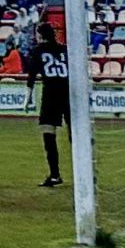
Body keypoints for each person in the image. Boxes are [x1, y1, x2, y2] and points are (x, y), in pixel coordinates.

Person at [30, 19, 73, 188]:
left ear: (40, 36)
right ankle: (83, 171)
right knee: (75, 135)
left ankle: (55, 175)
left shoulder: (39, 51)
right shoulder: (65, 49)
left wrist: (28, 95)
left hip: (51, 95)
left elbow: (32, 74)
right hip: (69, 93)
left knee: (49, 134)